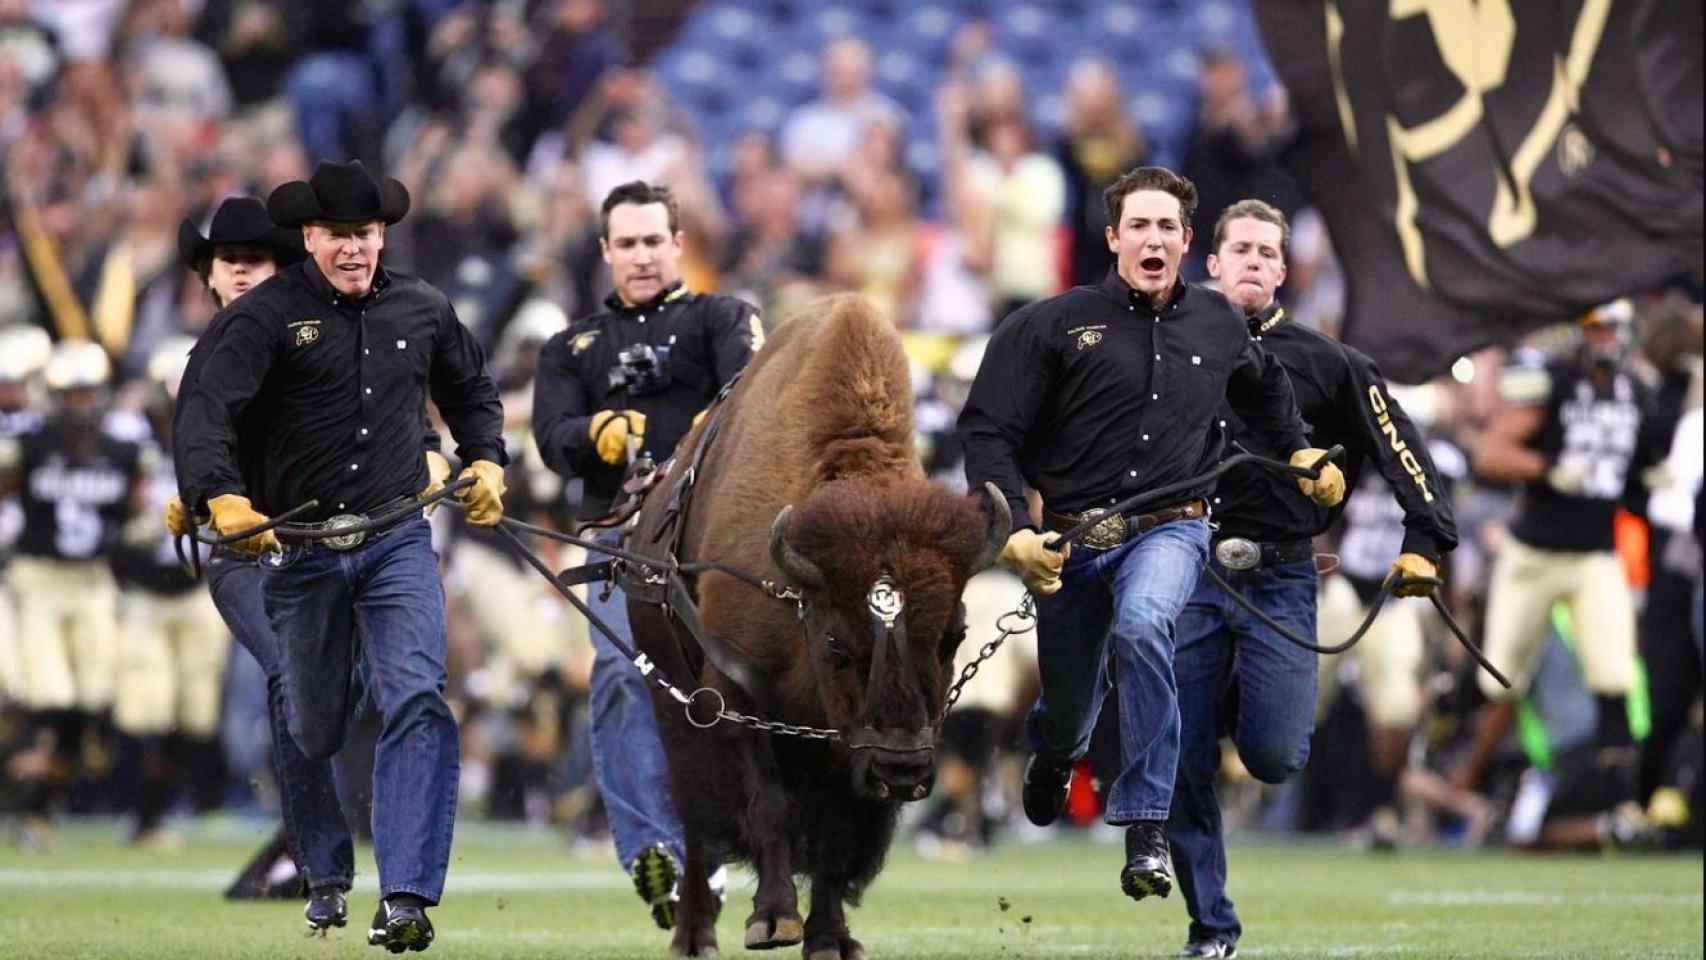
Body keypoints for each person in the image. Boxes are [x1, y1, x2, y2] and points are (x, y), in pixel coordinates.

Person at [958, 167, 1342, 905]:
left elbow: (1264, 387)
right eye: (1139, 225)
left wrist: (1298, 451)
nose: (1153, 239)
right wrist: (1016, 531)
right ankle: (1057, 751)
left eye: (1167, 227)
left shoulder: (1219, 321)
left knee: (1144, 623)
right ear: (1113, 238)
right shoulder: (1050, 325)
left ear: (1187, 241)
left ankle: (1144, 827)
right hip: (1071, 540)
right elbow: (988, 429)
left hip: (1175, 528)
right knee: (1069, 703)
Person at [174, 160, 507, 953]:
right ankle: (323, 866)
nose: (353, 248)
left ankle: (406, 896)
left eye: (365, 233)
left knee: (417, 694)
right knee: (314, 722)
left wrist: (488, 459)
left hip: (396, 538)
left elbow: (472, 392)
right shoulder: (263, 317)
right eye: (336, 235)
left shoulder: (423, 307)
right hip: (300, 551)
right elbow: (205, 414)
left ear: (382, 233)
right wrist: (220, 496)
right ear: (310, 237)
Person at [1166, 200, 1458, 958]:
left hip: (1283, 574)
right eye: (1243, 249)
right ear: (1213, 264)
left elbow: (1404, 450)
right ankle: (1211, 926)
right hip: (1189, 567)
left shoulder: (1332, 363)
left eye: (1269, 252)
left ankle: (1233, 697)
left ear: (1284, 273)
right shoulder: (1166, 349)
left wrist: (1425, 539)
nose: (1255, 261)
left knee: (1274, 755)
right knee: (1183, 759)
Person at [532, 180, 759, 928]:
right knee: (624, 675)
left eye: (653, 241)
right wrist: (591, 433)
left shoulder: (723, 318)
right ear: (605, 251)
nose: (641, 256)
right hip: (619, 536)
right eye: (626, 243)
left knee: (729, 686)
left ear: (678, 245)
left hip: (713, 539)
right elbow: (549, 439)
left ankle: (720, 846)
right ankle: (653, 853)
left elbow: (751, 398)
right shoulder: (572, 347)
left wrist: (699, 433)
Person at [161, 196, 367, 928]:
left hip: (325, 545)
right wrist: (200, 494)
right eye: (231, 261)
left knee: (352, 686)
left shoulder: (322, 345)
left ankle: (308, 836)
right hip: (244, 555)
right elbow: (198, 444)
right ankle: (321, 866)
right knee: (289, 667)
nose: (245, 272)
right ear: (210, 276)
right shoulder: (201, 364)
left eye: (261, 261)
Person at [1460, 303, 1661, 826]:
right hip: (1534, 555)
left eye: (1610, 329)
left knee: (1615, 671)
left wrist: (1653, 483)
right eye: (1594, 329)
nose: (1603, 340)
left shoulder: (1636, 393)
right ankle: (1452, 734)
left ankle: (1619, 804)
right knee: (1499, 678)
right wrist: (1548, 468)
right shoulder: (1551, 380)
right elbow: (1491, 453)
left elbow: (1637, 472)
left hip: (1595, 554)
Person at [0, 339, 143, 846]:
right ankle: (29, 806)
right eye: (71, 393)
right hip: (39, 575)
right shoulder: (28, 444)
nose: (81, 404)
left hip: (93, 577)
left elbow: (134, 510)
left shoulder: (124, 448)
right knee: (48, 693)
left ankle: (44, 799)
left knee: (96, 693)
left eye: (87, 392)